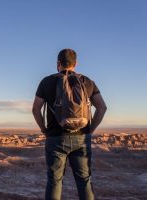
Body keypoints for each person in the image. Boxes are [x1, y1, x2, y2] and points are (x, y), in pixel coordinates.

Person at [32, 48, 107, 200]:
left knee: (54, 181)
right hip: (81, 138)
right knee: (84, 181)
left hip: (55, 138)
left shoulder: (47, 81)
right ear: (75, 63)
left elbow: (35, 109)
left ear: (58, 63)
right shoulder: (87, 82)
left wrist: (44, 130)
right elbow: (102, 107)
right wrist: (90, 130)